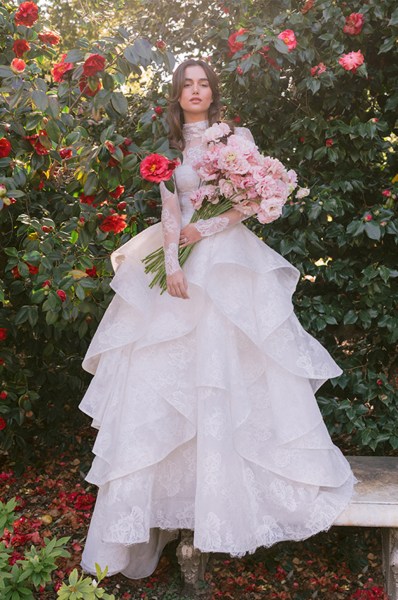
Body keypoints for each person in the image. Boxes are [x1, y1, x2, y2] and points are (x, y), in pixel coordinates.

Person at [79, 58, 356, 580]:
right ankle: (156, 512)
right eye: (188, 85)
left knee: (229, 368)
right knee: (159, 375)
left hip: (228, 261)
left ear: (213, 92)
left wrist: (205, 232)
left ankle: (231, 503)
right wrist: (172, 263)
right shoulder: (167, 150)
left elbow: (253, 200)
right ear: (177, 95)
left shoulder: (235, 139)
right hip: (179, 260)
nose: (197, 91)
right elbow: (170, 212)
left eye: (204, 83)